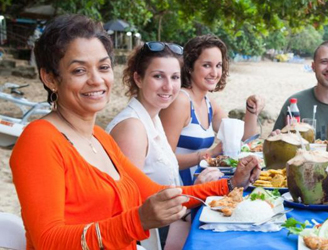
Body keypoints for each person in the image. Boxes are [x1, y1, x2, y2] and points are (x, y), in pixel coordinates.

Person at [9, 14, 260, 249]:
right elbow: (47, 240)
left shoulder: (100, 137)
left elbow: (156, 193)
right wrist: (137, 221)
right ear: (51, 79)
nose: (97, 80)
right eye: (79, 70)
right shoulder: (40, 139)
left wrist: (230, 183)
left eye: (104, 67)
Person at [105, 41, 223, 248]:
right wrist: (196, 191)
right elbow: (129, 208)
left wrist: (195, 190)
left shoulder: (153, 118)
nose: (168, 86)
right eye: (158, 76)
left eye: (175, 77)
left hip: (161, 230)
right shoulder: (132, 128)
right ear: (138, 79)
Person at [159, 35, 265, 186]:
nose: (214, 73)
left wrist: (251, 110)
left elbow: (243, 138)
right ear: (189, 67)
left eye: (219, 65)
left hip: (199, 185)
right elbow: (163, 160)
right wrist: (209, 154)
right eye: (207, 65)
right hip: (178, 189)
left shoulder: (209, 104)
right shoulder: (180, 101)